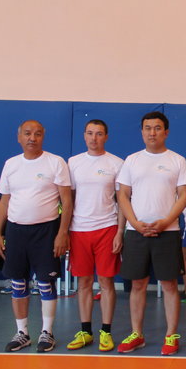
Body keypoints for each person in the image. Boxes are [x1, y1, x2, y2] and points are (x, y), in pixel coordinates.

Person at [0, 120, 73, 352]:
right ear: (19, 137)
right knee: (18, 283)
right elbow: (5, 201)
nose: (32, 138)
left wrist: (62, 233)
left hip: (46, 231)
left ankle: (47, 332)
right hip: (16, 231)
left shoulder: (55, 162)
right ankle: (22, 333)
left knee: (46, 283)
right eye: (28, 133)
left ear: (43, 137)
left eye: (37, 134)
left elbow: (67, 202)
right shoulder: (11, 164)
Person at [116, 111, 186, 355]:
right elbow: (123, 195)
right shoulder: (132, 160)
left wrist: (166, 221)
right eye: (148, 128)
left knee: (169, 284)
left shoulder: (177, 160)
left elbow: (184, 195)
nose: (152, 132)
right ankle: (137, 334)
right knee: (138, 284)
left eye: (157, 128)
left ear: (166, 132)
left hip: (168, 232)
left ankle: (171, 336)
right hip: (136, 232)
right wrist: (135, 223)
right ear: (142, 132)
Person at [65, 120, 124, 352]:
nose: (94, 138)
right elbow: (68, 200)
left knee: (106, 282)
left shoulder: (116, 163)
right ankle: (86, 331)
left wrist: (120, 232)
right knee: (84, 282)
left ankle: (106, 332)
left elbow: (122, 200)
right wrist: (65, 231)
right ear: (84, 135)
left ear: (106, 137)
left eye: (99, 134)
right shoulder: (73, 163)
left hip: (107, 227)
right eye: (90, 133)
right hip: (79, 230)